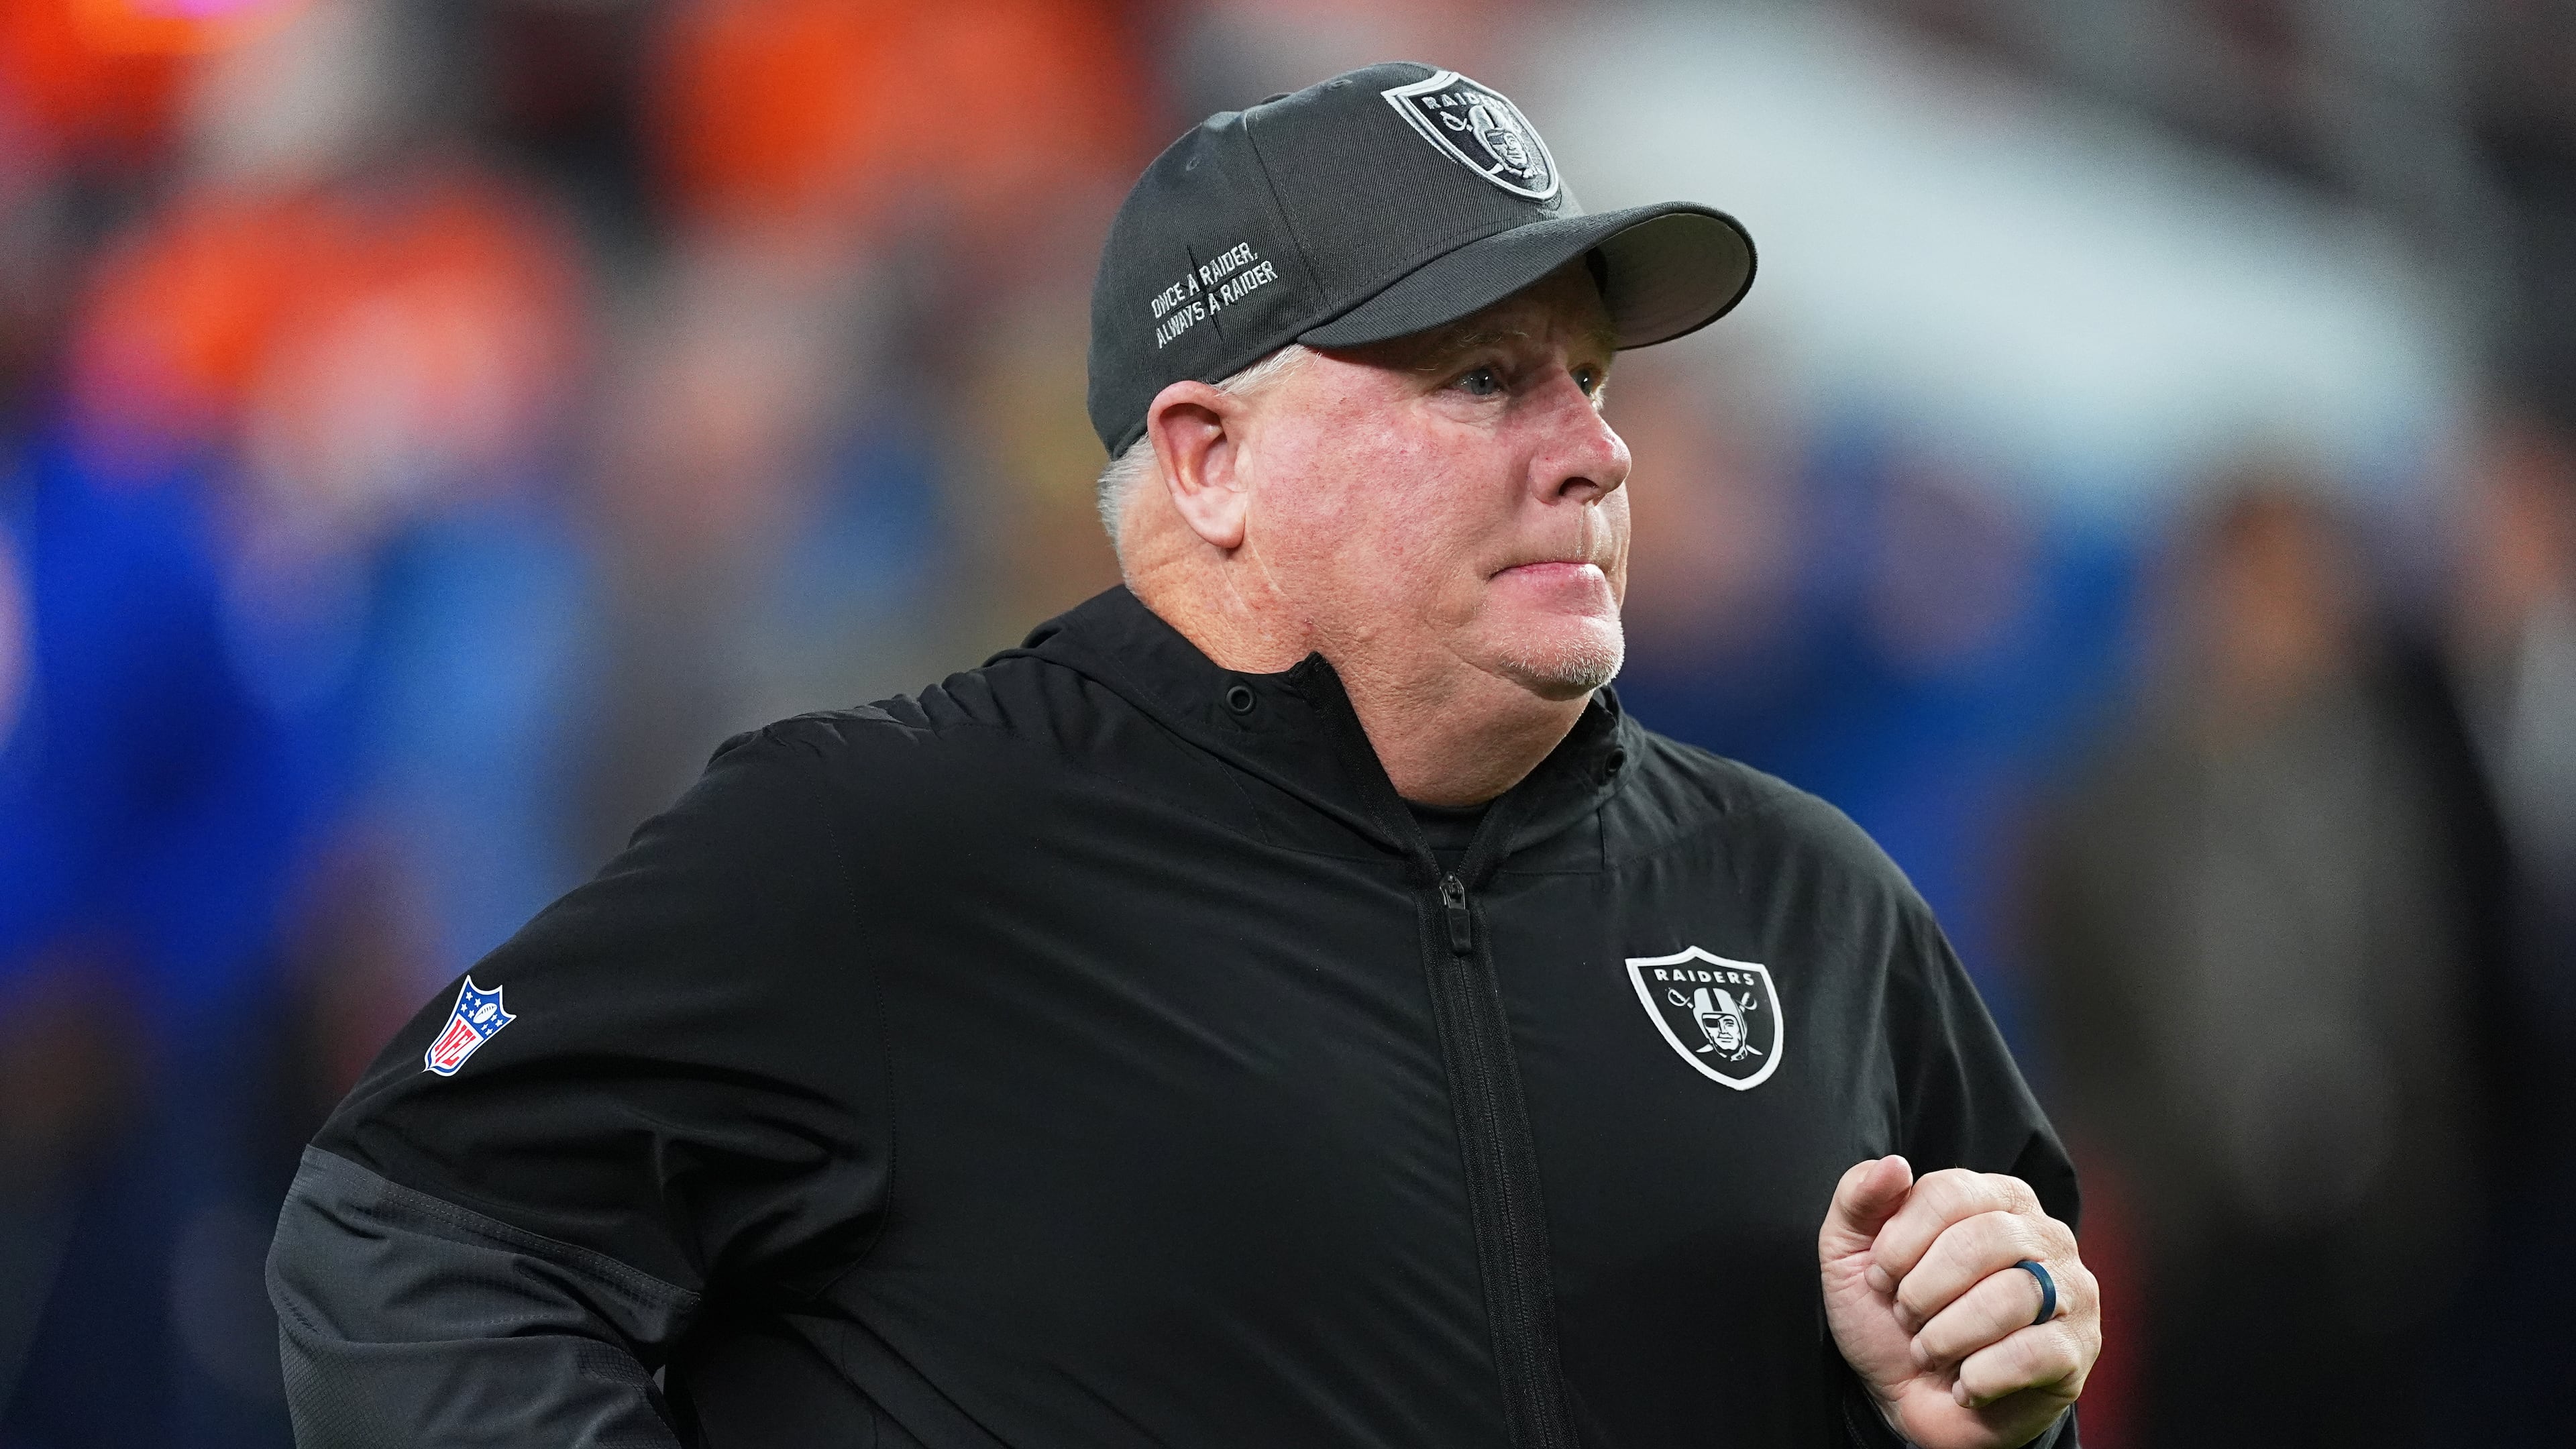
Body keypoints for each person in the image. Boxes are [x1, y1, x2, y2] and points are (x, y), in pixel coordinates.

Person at [268, 64, 2099, 1448]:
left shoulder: (1806, 903)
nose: (1595, 451)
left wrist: (1977, 1415)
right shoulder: (887, 839)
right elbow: (410, 1231)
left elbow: (1992, 1364)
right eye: (1482, 380)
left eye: (1591, 379)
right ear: (1214, 462)